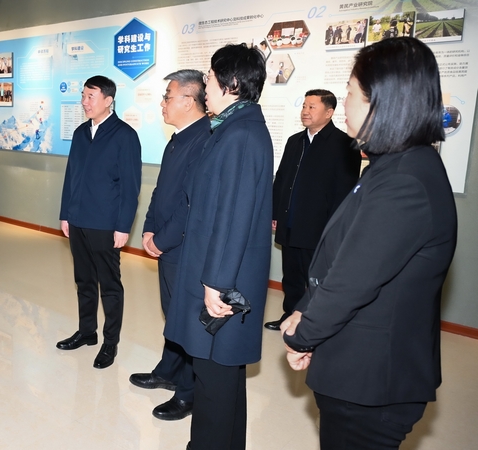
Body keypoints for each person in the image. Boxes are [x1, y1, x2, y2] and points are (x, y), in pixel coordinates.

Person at [282, 37, 457, 449]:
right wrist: (306, 310)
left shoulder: (405, 181)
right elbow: (341, 256)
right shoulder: (392, 165)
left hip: (372, 382)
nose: (344, 102)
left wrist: (303, 335)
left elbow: (353, 280)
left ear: (381, 99)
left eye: (350, 91)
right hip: (357, 367)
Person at [163, 44, 273, 449]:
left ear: (232, 82)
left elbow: (234, 215)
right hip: (216, 271)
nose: (205, 85)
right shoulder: (231, 128)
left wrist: (216, 285)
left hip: (220, 281)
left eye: (209, 77)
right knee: (223, 378)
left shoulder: (240, 134)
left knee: (214, 380)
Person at [129, 70, 210, 421]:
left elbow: (190, 204)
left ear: (188, 101)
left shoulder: (204, 139)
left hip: (184, 247)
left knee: (188, 318)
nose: (162, 103)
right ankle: (169, 371)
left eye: (168, 96)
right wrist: (149, 228)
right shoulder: (178, 138)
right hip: (167, 243)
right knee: (173, 312)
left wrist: (161, 240)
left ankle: (188, 393)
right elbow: (162, 191)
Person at [57, 75, 142, 369]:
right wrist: (65, 213)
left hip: (106, 224)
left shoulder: (125, 136)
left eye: (90, 96)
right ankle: (86, 332)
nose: (84, 102)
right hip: (78, 219)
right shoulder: (81, 133)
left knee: (109, 285)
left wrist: (123, 227)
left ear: (108, 100)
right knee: (83, 280)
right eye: (83, 96)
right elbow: (71, 175)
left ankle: (110, 342)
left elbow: (131, 187)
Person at [264, 90, 360, 330]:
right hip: (290, 221)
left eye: (312, 107)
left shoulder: (344, 144)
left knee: (317, 278)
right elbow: (281, 178)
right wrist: (275, 212)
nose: (305, 111)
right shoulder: (295, 141)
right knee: (291, 276)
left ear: (329, 112)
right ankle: (290, 317)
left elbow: (345, 190)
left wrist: (334, 226)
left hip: (319, 226)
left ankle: (313, 324)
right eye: (304, 106)